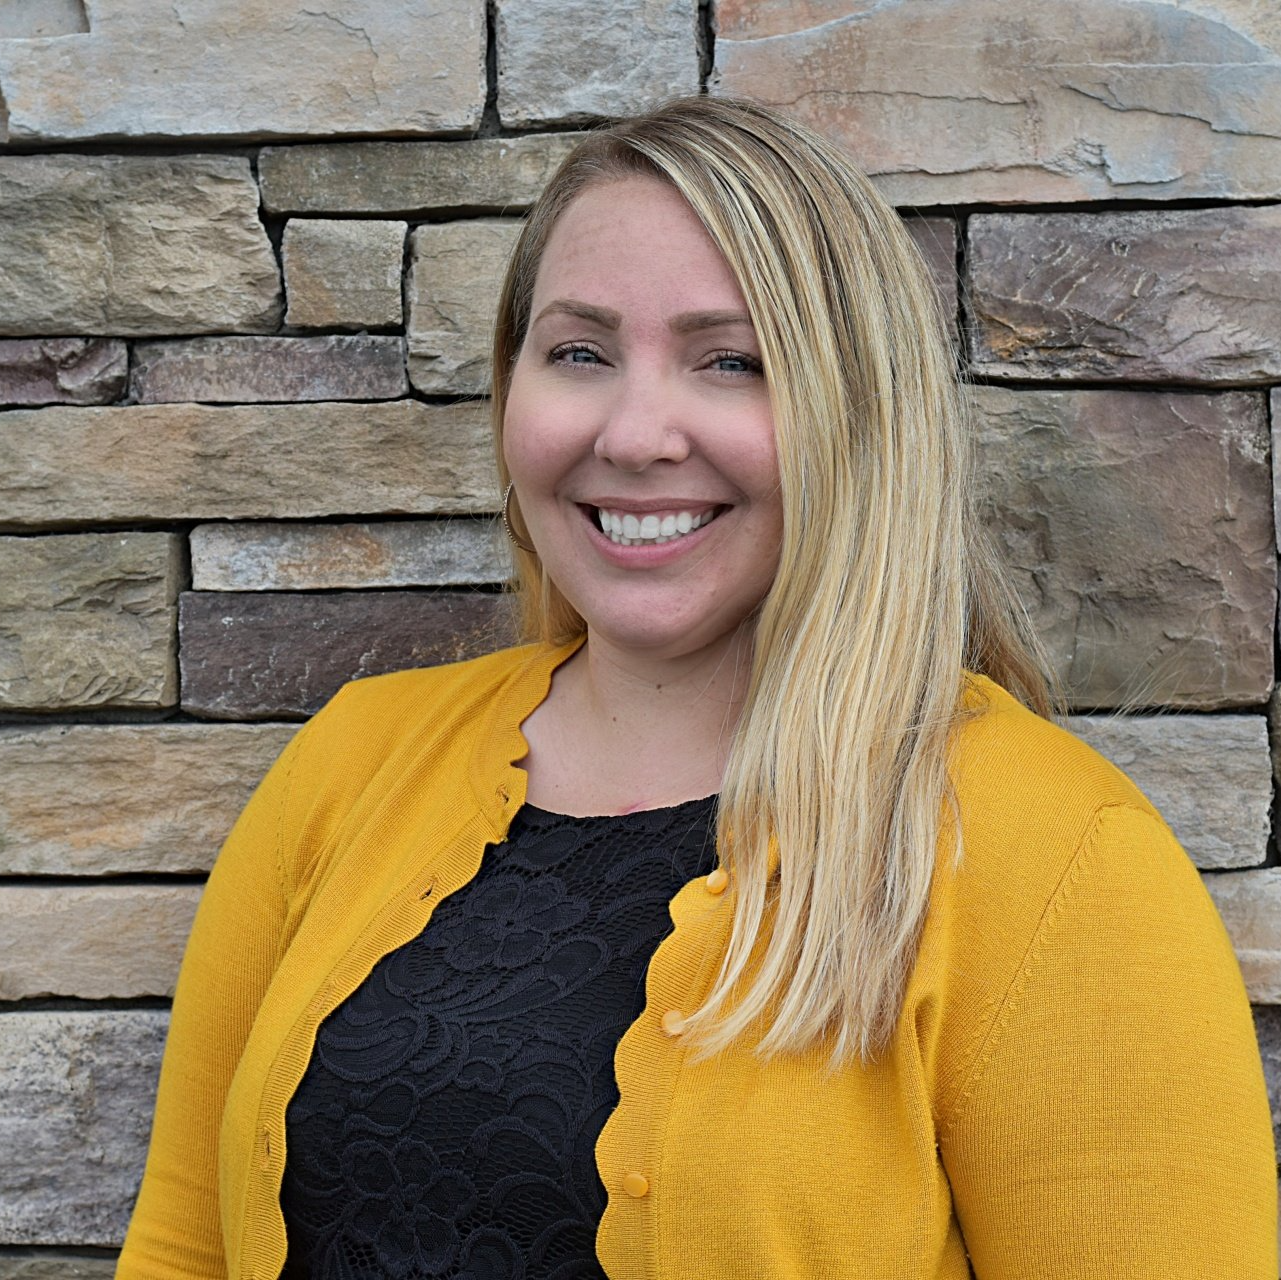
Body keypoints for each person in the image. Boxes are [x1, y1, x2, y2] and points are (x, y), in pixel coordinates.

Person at [117, 96, 1276, 1279]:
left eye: (731, 361)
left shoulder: (1055, 853)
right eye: (580, 352)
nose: (636, 432)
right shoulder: (357, 757)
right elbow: (181, 1246)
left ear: (858, 410)